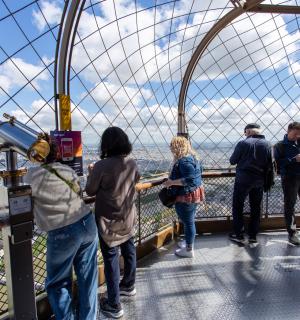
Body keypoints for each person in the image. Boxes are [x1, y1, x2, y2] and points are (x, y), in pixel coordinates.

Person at [24, 134, 98, 320]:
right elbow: (79, 193)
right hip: (87, 222)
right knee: (88, 278)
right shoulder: (68, 171)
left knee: (57, 283)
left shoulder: (32, 177)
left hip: (62, 232)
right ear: (56, 154)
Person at [85, 127, 140, 319]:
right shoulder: (131, 163)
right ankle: (129, 285)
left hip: (108, 222)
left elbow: (90, 191)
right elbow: (136, 181)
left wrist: (91, 172)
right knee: (129, 250)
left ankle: (114, 304)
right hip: (128, 217)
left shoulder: (101, 165)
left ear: (106, 144)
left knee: (111, 260)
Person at [229, 123, 272, 244]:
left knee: (238, 206)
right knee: (256, 207)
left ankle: (239, 235)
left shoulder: (243, 143)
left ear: (247, 132)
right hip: (259, 180)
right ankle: (253, 235)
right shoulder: (268, 144)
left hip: (243, 180)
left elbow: (232, 161)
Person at [163, 136, 203, 258]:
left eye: (172, 147)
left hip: (186, 195)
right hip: (193, 193)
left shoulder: (184, 161)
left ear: (177, 147)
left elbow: (189, 180)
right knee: (189, 221)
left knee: (188, 222)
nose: (171, 149)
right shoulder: (193, 158)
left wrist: (171, 182)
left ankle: (189, 249)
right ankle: (188, 243)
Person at [274, 122, 300, 245]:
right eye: (295, 134)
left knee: (290, 205)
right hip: (290, 178)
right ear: (288, 130)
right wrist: (294, 159)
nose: (297, 136)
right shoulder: (280, 146)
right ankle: (292, 233)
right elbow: (278, 164)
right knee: (290, 205)